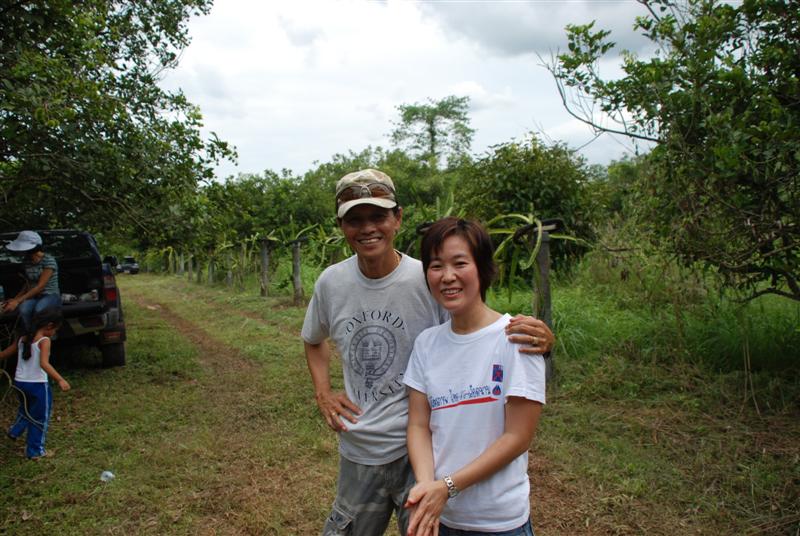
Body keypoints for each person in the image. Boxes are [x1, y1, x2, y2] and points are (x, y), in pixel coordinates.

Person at [301, 169, 554, 536]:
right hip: (361, 447)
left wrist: (539, 339)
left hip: (424, 453)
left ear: (397, 218)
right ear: (340, 225)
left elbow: (473, 329)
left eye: (378, 216)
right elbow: (313, 338)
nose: (368, 228)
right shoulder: (332, 283)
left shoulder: (427, 278)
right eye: (355, 219)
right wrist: (323, 393)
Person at [403, 217, 545, 536]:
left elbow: (518, 437)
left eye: (460, 263)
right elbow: (418, 424)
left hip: (500, 521)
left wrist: (447, 486)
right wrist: (427, 486)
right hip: (443, 517)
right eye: (436, 266)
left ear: (482, 268)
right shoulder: (426, 344)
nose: (447, 276)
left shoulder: (517, 338)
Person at [0, 307, 70, 460]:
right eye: (55, 330)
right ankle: (35, 451)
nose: (54, 333)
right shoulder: (44, 341)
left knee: (26, 409)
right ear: (49, 326)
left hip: (20, 383)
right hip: (37, 385)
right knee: (39, 418)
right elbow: (44, 364)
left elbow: (5, 353)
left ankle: (14, 431)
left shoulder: (23, 338)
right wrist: (60, 379)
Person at [2, 230, 61, 331]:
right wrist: (15, 299)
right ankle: (30, 334)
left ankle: (45, 335)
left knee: (40, 309)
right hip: (33, 296)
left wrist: (17, 301)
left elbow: (40, 286)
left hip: (50, 295)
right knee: (24, 309)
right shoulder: (27, 261)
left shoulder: (48, 260)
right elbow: (27, 284)